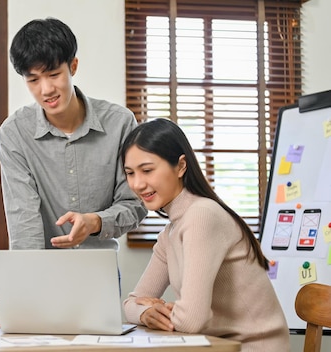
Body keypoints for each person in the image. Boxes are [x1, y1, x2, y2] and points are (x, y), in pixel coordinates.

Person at [121, 118, 289, 351]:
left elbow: (190, 320)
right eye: (130, 173)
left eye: (147, 170)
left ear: (180, 166)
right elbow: (130, 303)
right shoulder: (171, 232)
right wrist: (146, 313)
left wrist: (162, 312)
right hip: (215, 345)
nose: (138, 184)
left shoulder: (202, 216)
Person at [0, 17, 147, 250]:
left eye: (54, 74)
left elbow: (134, 203)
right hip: (43, 269)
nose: (46, 90)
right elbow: (23, 221)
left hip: (99, 269)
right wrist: (28, 281)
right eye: (33, 80)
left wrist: (96, 222)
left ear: (73, 66)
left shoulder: (120, 123)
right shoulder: (14, 133)